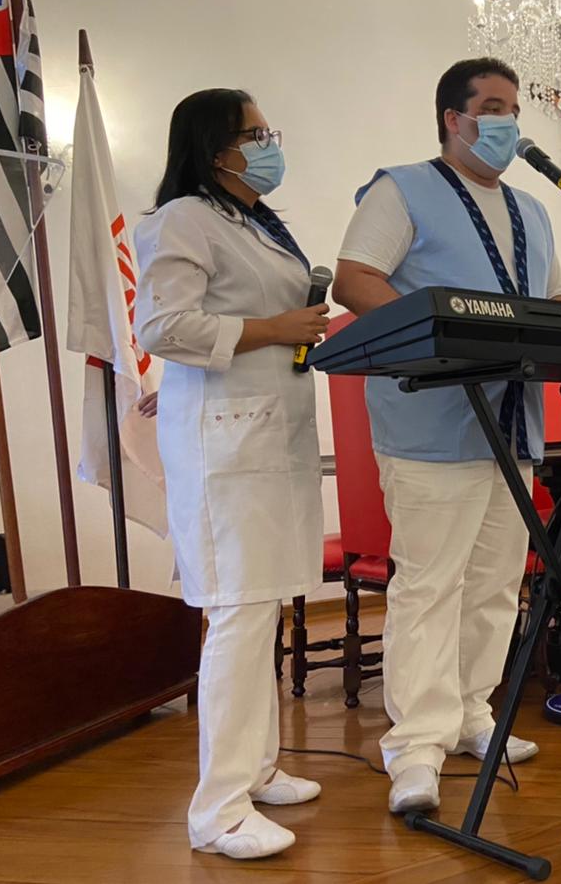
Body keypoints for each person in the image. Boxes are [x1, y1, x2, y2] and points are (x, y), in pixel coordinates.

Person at [332, 58, 561, 815]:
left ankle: (471, 713)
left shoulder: (533, 211)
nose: (508, 122)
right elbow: (354, 279)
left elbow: (556, 303)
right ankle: (415, 747)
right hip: (432, 425)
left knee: (497, 585)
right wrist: (440, 338)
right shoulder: (402, 189)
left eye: (514, 109)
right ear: (453, 119)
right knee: (430, 587)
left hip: (514, 426)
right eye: (493, 107)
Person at [134, 89, 327, 860]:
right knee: (240, 615)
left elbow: (230, 323)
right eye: (256, 133)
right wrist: (278, 328)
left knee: (264, 606)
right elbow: (163, 325)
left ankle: (256, 768)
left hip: (267, 435)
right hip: (227, 448)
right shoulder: (182, 218)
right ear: (217, 149)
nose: (270, 142)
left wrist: (293, 330)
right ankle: (217, 811)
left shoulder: (254, 224)